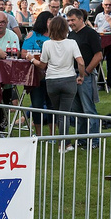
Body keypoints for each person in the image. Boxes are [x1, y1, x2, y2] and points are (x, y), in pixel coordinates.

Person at [28, 16, 84, 152]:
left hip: (52, 81)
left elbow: (42, 65)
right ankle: (63, 145)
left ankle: (66, 143)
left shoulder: (47, 44)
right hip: (69, 80)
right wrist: (81, 76)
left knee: (60, 113)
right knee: (64, 113)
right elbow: (81, 62)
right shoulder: (72, 43)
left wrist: (31, 59)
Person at [67, 8, 103, 147]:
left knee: (88, 108)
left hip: (85, 76)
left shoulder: (91, 34)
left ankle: (94, 140)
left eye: (73, 20)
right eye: (68, 20)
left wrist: (86, 72)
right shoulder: (71, 35)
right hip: (72, 75)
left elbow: (98, 55)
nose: (70, 23)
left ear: (81, 19)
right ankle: (82, 139)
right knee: (77, 110)